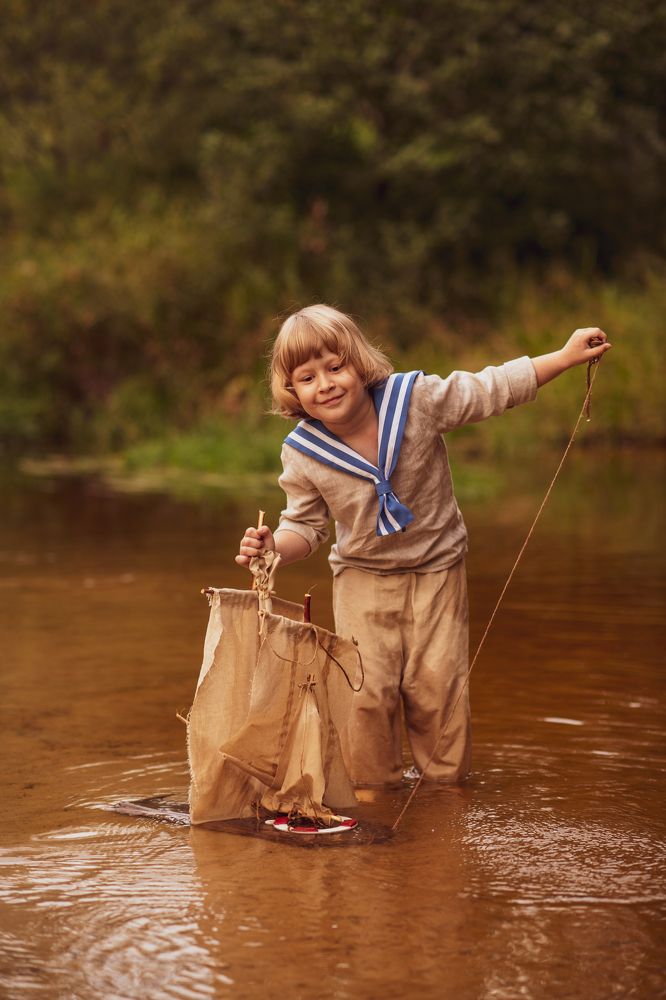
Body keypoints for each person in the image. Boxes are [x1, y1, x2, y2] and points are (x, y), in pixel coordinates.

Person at [236, 305, 611, 787]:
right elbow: (304, 526)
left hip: (438, 569)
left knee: (438, 690)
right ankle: (375, 794)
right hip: (362, 577)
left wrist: (562, 357)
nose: (325, 384)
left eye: (335, 368)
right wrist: (273, 549)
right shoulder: (302, 450)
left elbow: (489, 389)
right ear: (292, 390)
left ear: (359, 364)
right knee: (366, 693)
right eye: (307, 378)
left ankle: (445, 795)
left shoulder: (414, 400)